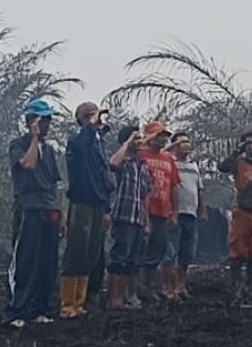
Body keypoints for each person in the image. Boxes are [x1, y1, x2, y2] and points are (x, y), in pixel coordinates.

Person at [5, 99, 64, 328]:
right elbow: (27, 165)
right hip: (28, 207)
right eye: (43, 120)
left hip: (49, 209)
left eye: (48, 120)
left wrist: (61, 214)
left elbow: (55, 184)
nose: (48, 125)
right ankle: (16, 309)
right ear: (32, 121)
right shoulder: (18, 145)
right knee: (25, 260)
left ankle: (40, 308)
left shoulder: (49, 150)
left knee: (47, 261)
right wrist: (33, 137)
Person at [60, 102, 112, 318]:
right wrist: (90, 124)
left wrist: (107, 209)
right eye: (93, 115)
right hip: (81, 202)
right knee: (77, 251)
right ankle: (67, 304)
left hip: (98, 204)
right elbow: (81, 146)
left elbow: (104, 178)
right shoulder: (77, 141)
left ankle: (80, 302)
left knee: (91, 252)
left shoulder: (99, 145)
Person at [218, 132, 252, 303]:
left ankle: (251, 288)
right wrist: (236, 152)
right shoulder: (238, 162)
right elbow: (222, 167)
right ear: (244, 145)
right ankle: (236, 287)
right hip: (242, 211)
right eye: (250, 143)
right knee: (238, 250)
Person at [106, 125, 152, 310]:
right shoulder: (124, 161)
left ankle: (124, 297)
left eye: (141, 139)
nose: (140, 142)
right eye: (136, 139)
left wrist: (147, 221)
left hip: (138, 218)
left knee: (132, 260)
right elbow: (113, 163)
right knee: (119, 258)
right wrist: (127, 142)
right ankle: (113, 299)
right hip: (123, 215)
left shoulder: (143, 166)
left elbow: (145, 195)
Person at [138, 121, 180, 300]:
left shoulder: (168, 159)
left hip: (163, 211)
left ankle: (149, 286)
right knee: (141, 249)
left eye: (164, 136)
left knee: (158, 249)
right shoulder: (141, 155)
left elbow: (174, 187)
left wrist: (175, 211)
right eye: (158, 135)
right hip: (143, 210)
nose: (162, 139)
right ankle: (136, 288)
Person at [165, 132, 206, 299]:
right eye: (182, 142)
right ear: (174, 145)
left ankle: (181, 286)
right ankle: (168, 287)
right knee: (171, 252)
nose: (186, 145)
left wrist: (202, 210)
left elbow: (200, 190)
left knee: (187, 252)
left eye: (188, 141)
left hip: (190, 213)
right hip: (174, 213)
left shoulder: (194, 166)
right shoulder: (168, 162)